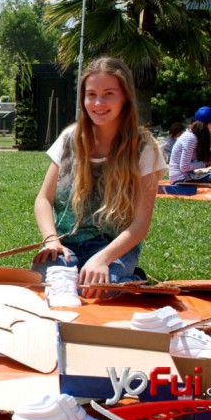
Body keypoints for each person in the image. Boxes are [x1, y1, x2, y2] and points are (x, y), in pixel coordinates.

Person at [32, 57, 167, 300]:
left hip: (114, 248)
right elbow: (43, 199)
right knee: (47, 285)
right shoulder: (69, 139)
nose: (98, 102)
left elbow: (139, 226)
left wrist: (103, 258)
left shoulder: (145, 149)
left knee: (95, 292)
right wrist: (51, 241)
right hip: (66, 246)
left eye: (108, 94)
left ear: (125, 97)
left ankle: (132, 280)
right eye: (91, 94)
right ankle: (102, 279)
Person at [168, 107, 211, 184]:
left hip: (188, 176)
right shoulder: (190, 138)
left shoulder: (195, 136)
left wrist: (210, 160)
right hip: (181, 179)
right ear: (209, 124)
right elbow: (184, 167)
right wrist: (208, 162)